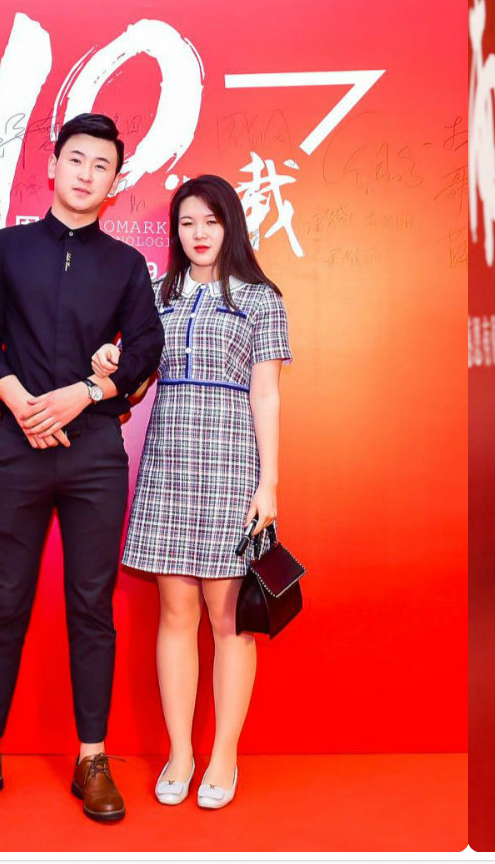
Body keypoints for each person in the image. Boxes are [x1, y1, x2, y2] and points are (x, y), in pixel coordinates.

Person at [0, 113, 163, 822]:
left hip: (95, 452)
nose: (86, 174)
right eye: (77, 159)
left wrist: (86, 393)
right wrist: (23, 405)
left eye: (102, 165)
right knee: (4, 600)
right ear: (53, 165)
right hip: (17, 447)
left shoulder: (126, 266)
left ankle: (91, 758)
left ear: (115, 182)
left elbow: (145, 350)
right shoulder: (6, 249)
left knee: (91, 606)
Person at [96, 176, 291, 811]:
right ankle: (180, 754)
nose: (198, 233)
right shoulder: (159, 295)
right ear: (175, 231)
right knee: (175, 616)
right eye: (186, 223)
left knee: (228, 622)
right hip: (169, 466)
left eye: (210, 220)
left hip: (232, 468)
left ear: (230, 224)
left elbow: (267, 394)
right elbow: (134, 379)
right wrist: (109, 364)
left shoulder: (261, 298)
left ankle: (223, 756)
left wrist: (268, 483)